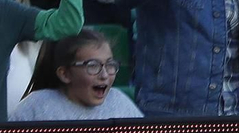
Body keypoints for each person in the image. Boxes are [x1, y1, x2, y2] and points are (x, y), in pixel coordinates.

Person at [11, 29, 143, 121]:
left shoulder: (121, 103)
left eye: (110, 64)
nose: (104, 75)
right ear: (65, 74)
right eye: (93, 66)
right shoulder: (35, 108)